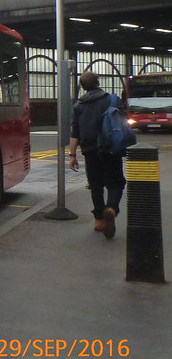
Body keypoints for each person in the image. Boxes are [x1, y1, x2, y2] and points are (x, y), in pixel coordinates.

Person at [68, 70, 126, 239]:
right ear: (98, 82)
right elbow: (122, 123)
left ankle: (100, 219)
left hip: (90, 151)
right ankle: (111, 208)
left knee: (96, 185)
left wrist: (72, 155)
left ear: (82, 86)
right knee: (116, 183)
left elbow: (75, 133)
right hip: (111, 149)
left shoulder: (79, 105)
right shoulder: (113, 100)